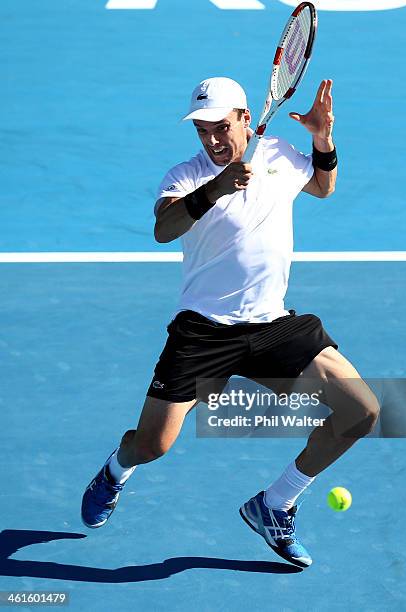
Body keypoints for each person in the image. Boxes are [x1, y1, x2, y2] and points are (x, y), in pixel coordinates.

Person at [81, 77, 379, 568]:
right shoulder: (185, 175)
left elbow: (322, 188)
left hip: (273, 325)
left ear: (246, 119)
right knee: (153, 446)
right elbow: (164, 228)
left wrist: (323, 142)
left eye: (221, 127)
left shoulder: (280, 155)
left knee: (361, 412)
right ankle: (116, 469)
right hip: (202, 332)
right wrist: (216, 187)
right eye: (202, 130)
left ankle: (276, 503)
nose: (212, 140)